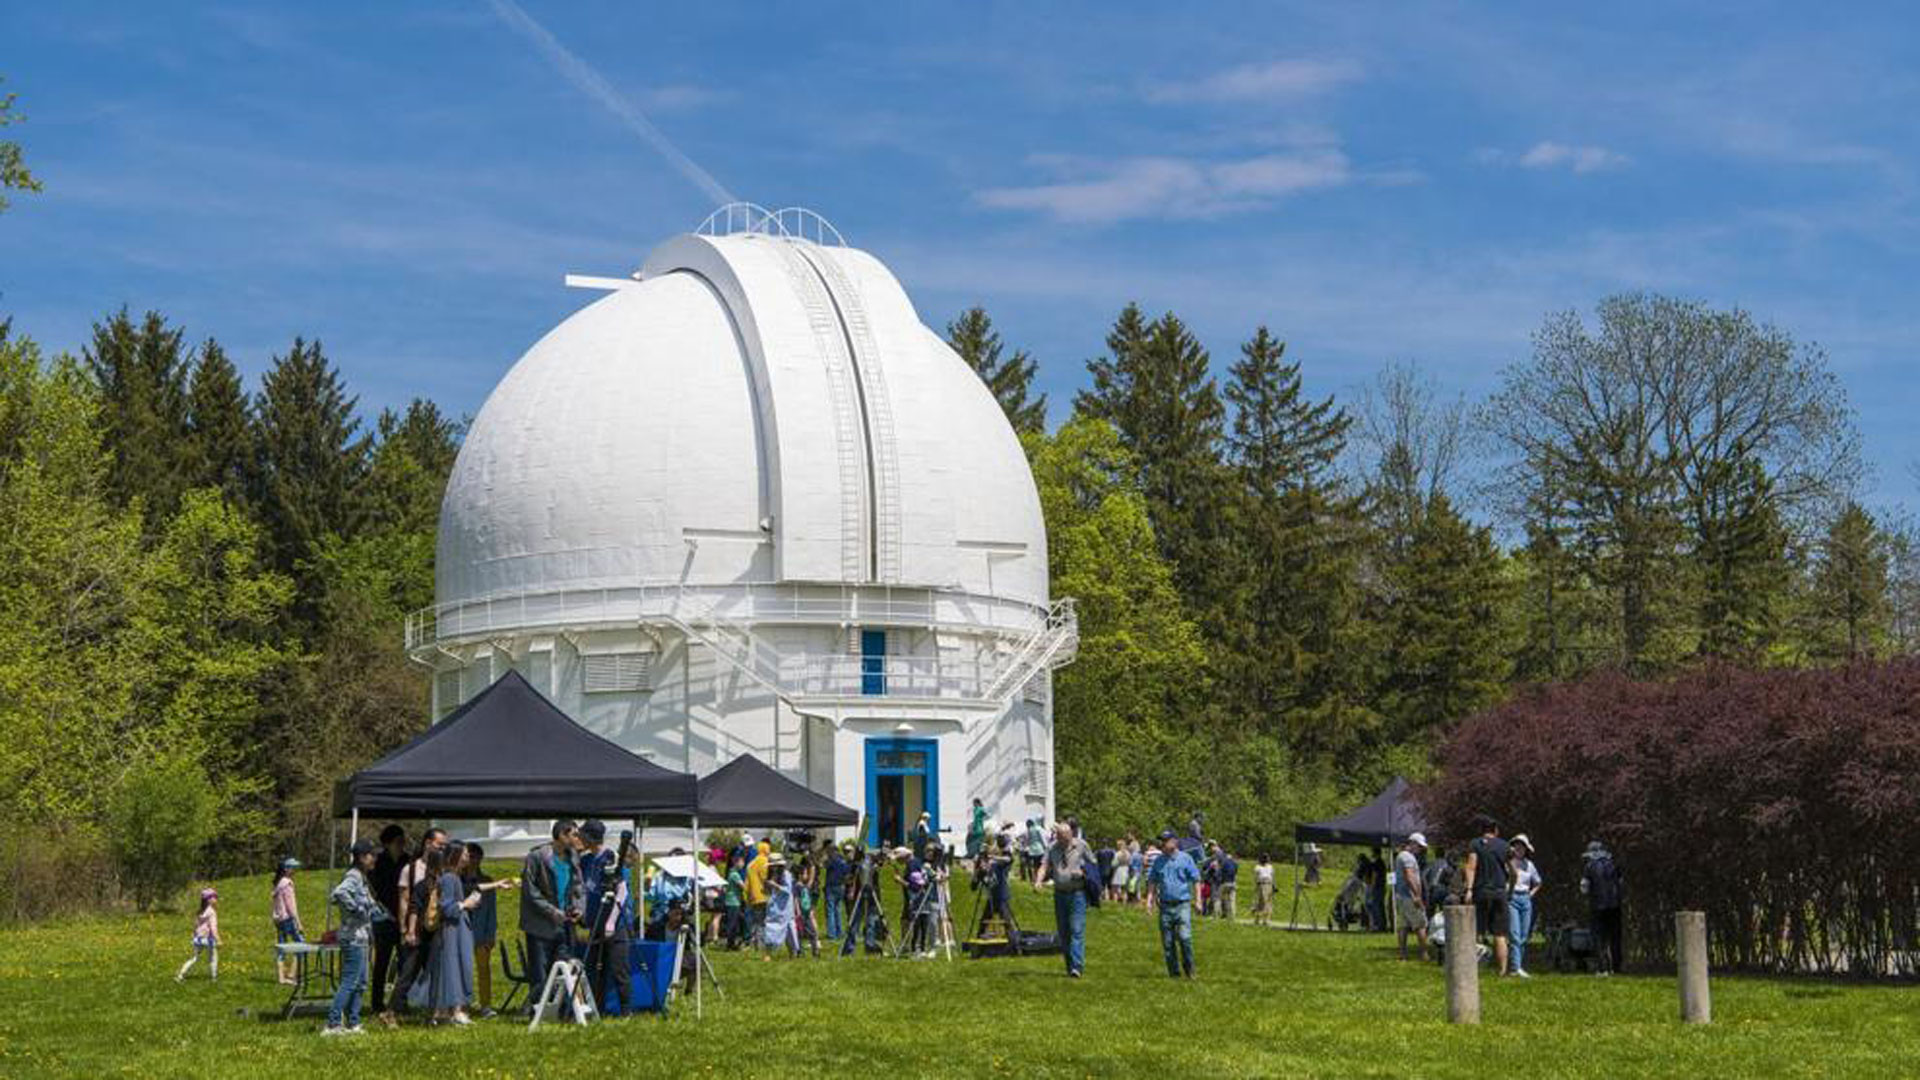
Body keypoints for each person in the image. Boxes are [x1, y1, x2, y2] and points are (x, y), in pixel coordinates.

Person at [428, 843, 506, 1026]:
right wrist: (465, 905)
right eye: (464, 854)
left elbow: (475, 886)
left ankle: (454, 1010)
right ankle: (452, 1011)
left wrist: (496, 884)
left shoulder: (454, 877)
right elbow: (447, 907)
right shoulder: (449, 878)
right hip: (452, 930)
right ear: (455, 855)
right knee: (453, 968)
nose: (467, 857)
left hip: (459, 928)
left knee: (460, 967)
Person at [384, 826, 449, 1023]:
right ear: (428, 844)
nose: (443, 850)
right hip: (418, 931)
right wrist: (406, 930)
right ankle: (391, 1012)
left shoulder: (443, 875)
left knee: (437, 972)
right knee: (408, 973)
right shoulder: (411, 870)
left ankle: (435, 1013)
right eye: (440, 845)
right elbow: (406, 902)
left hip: (436, 930)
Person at [518, 819, 582, 1009]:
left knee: (565, 968)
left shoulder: (574, 857)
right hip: (540, 925)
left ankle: (562, 1010)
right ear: (562, 835)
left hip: (565, 925)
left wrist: (579, 907)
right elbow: (530, 892)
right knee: (540, 971)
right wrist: (553, 912)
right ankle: (537, 1010)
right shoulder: (536, 857)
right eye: (574, 834)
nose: (577, 838)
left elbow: (579, 887)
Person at [323, 839, 384, 1036]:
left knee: (361, 982)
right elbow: (338, 894)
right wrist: (357, 910)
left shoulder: (362, 877)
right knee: (350, 981)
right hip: (352, 937)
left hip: (362, 937)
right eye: (371, 855)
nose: (374, 858)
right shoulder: (354, 876)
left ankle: (354, 1022)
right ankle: (333, 1024)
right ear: (361, 857)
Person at [579, 824, 634, 1016]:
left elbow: (622, 890)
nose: (580, 840)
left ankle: (626, 1010)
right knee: (595, 969)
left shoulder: (611, 857)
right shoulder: (585, 860)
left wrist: (611, 921)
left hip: (615, 923)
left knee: (619, 969)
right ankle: (597, 1009)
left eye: (582, 837)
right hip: (594, 922)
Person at [1036, 820, 1093, 978]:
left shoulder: (1081, 845)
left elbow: (1093, 865)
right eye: (1060, 838)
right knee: (1063, 932)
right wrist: (1038, 881)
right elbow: (1044, 865)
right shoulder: (1052, 847)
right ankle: (1070, 966)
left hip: (1077, 894)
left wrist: (1084, 873)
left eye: (1065, 838)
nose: (1063, 842)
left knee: (1076, 930)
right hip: (1059, 894)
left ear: (1071, 835)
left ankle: (1077, 967)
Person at [1462, 816, 1512, 976]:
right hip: (1499, 892)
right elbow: (1512, 870)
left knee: (1476, 931)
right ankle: (1502, 970)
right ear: (1495, 830)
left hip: (1481, 891)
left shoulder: (1475, 844)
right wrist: (1509, 888)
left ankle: (1473, 968)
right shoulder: (1504, 846)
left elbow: (1471, 867)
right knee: (1500, 934)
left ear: (1482, 830)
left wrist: (1469, 889)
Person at [1147, 829, 1201, 978]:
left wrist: (1198, 900)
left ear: (1175, 841)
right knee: (1168, 943)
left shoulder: (1186, 858)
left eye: (1165, 840)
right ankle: (1174, 974)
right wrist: (1149, 902)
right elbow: (1152, 881)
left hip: (1182, 904)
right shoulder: (1159, 861)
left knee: (1185, 937)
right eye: (1161, 841)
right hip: (1164, 906)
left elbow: (1196, 880)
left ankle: (1190, 969)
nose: (1162, 844)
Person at [368, 825, 408, 1015]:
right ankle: (377, 1003)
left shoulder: (407, 861)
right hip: (384, 918)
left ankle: (400, 1001)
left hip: (403, 918)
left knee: (404, 963)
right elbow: (372, 889)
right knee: (381, 963)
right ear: (387, 843)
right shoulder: (378, 862)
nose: (402, 845)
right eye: (398, 842)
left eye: (403, 841)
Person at [463, 842, 500, 1016]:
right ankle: (463, 1003)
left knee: (484, 969)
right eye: (470, 856)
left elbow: (492, 911)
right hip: (462, 930)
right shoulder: (458, 879)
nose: (473, 860)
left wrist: (491, 934)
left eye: (477, 857)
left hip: (481, 932)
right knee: (463, 969)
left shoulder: (487, 881)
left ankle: (486, 1005)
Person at [1581, 839, 1625, 976]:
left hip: (1597, 906)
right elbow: (1621, 883)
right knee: (1615, 937)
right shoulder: (1614, 864)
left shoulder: (1589, 866)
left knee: (1598, 938)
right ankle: (1616, 968)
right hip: (1615, 906)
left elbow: (1584, 887)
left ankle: (1602, 968)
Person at [1508, 834, 1542, 978]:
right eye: (1516, 845)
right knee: (1515, 934)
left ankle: (1518, 965)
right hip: (1512, 897)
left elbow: (1538, 882)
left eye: (1522, 846)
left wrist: (1530, 894)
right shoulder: (1508, 863)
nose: (1519, 848)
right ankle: (1515, 967)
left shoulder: (1529, 865)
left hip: (1525, 899)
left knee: (1523, 934)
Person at [1393, 833, 1429, 961]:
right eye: (1419, 847)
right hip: (1410, 896)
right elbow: (1409, 876)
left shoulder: (1400, 855)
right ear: (1412, 843)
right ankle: (1424, 954)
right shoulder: (1408, 857)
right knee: (1421, 924)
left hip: (1401, 895)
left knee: (1403, 925)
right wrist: (1417, 896)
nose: (1420, 850)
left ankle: (1402, 954)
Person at [270, 857, 304, 985]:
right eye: (293, 867)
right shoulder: (287, 884)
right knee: (301, 944)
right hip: (288, 919)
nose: (295, 870)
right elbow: (291, 906)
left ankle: (281, 977)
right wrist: (298, 922)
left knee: (281, 945)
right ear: (286, 869)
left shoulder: (278, 883)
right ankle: (291, 975)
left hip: (278, 919)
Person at [175, 887, 220, 981]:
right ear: (208, 900)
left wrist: (194, 934)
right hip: (209, 939)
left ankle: (180, 975)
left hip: (198, 939)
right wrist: (218, 939)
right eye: (214, 897)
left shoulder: (200, 911)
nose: (216, 899)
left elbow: (196, 925)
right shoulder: (212, 912)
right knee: (213, 958)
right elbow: (213, 927)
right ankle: (214, 977)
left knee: (193, 958)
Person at [761, 855, 798, 959]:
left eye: (775, 865)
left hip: (785, 908)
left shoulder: (786, 875)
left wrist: (775, 885)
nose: (773, 868)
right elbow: (770, 892)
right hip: (774, 908)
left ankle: (793, 953)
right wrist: (766, 888)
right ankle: (768, 954)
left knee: (790, 932)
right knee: (771, 929)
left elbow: (788, 891)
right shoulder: (772, 875)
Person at [745, 839, 772, 943]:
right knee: (762, 921)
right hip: (763, 895)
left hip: (753, 896)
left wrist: (747, 896)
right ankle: (761, 942)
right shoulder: (764, 862)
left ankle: (753, 940)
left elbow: (746, 883)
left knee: (755, 921)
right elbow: (765, 878)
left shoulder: (751, 864)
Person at [823, 844, 849, 943]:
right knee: (838, 910)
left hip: (831, 886)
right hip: (841, 886)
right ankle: (839, 932)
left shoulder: (831, 860)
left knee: (830, 910)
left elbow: (824, 865)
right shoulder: (842, 861)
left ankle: (832, 934)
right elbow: (847, 872)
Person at [722, 852, 747, 949]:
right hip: (733, 902)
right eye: (742, 862)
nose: (743, 864)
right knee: (733, 923)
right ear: (736, 863)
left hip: (733, 901)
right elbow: (743, 886)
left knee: (734, 922)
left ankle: (732, 943)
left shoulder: (731, 873)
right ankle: (730, 943)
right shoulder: (735, 874)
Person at [1215, 847, 1239, 921]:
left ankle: (1216, 915)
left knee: (1218, 898)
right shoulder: (1235, 863)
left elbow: (1218, 873)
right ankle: (1232, 916)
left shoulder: (1224, 863)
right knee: (1232, 900)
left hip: (1224, 883)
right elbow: (1235, 874)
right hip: (1232, 883)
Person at [1252, 855, 1275, 927]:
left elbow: (1272, 876)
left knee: (1268, 902)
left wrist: (1274, 886)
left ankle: (1266, 920)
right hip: (1262, 884)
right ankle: (1257, 919)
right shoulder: (1258, 867)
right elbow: (1256, 877)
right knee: (1261, 902)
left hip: (1269, 884)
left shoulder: (1270, 867)